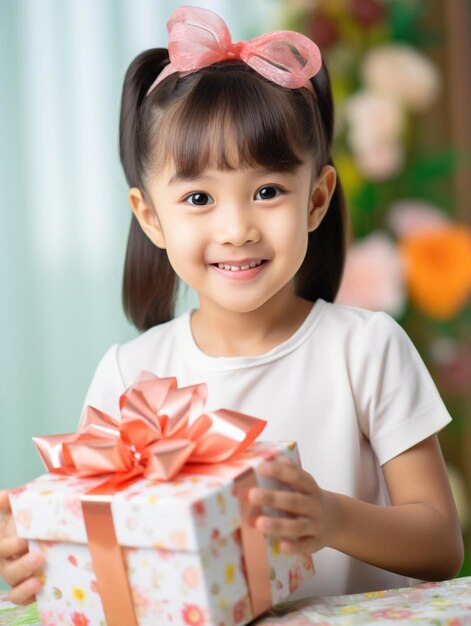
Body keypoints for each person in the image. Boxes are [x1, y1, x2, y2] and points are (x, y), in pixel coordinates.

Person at [0, 5, 463, 607]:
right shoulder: (127, 372)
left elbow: (441, 543)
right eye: (198, 197)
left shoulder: (366, 348)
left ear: (317, 200)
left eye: (268, 191)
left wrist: (331, 519)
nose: (237, 227)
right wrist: (41, 553)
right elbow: (106, 541)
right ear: (151, 217)